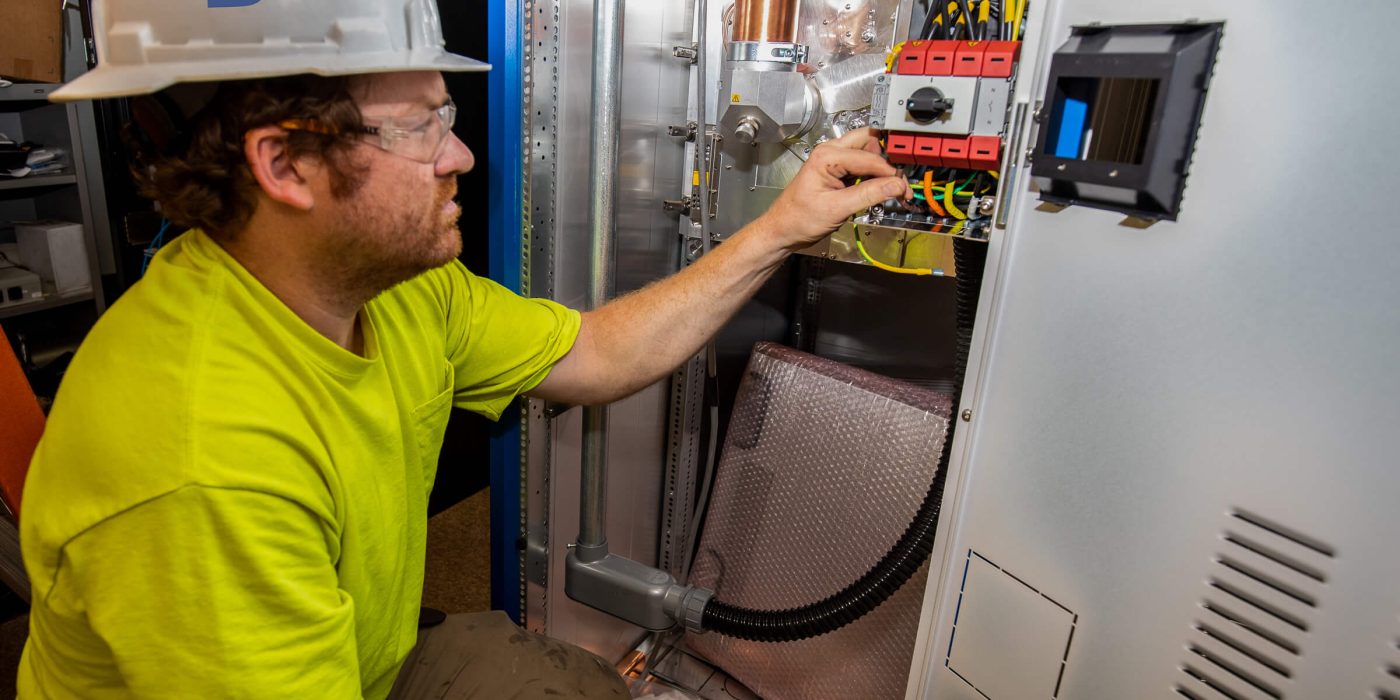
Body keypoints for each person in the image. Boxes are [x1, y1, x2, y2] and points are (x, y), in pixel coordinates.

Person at [18, 2, 912, 698]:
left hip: (365, 662)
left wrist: (778, 231)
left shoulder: (395, 287)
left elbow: (595, 354)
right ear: (283, 165)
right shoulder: (198, 465)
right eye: (418, 127)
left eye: (444, 114)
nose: (462, 154)